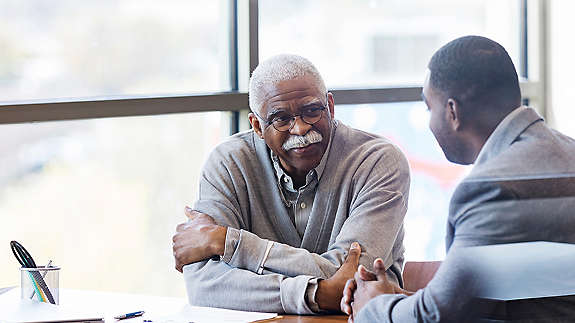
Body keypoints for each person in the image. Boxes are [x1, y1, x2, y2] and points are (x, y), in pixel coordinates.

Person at [342, 35, 575, 322]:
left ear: (452, 111)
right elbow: (527, 296)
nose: (429, 121)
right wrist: (396, 299)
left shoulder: (490, 188)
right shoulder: (567, 154)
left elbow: (439, 316)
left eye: (430, 107)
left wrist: (372, 308)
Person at [172, 54, 410, 314]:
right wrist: (315, 295)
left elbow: (351, 275)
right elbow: (203, 285)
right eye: (281, 119)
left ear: (330, 107)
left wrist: (229, 243)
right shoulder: (228, 163)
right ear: (257, 126)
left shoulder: (378, 161)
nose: (300, 129)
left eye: (311, 111)